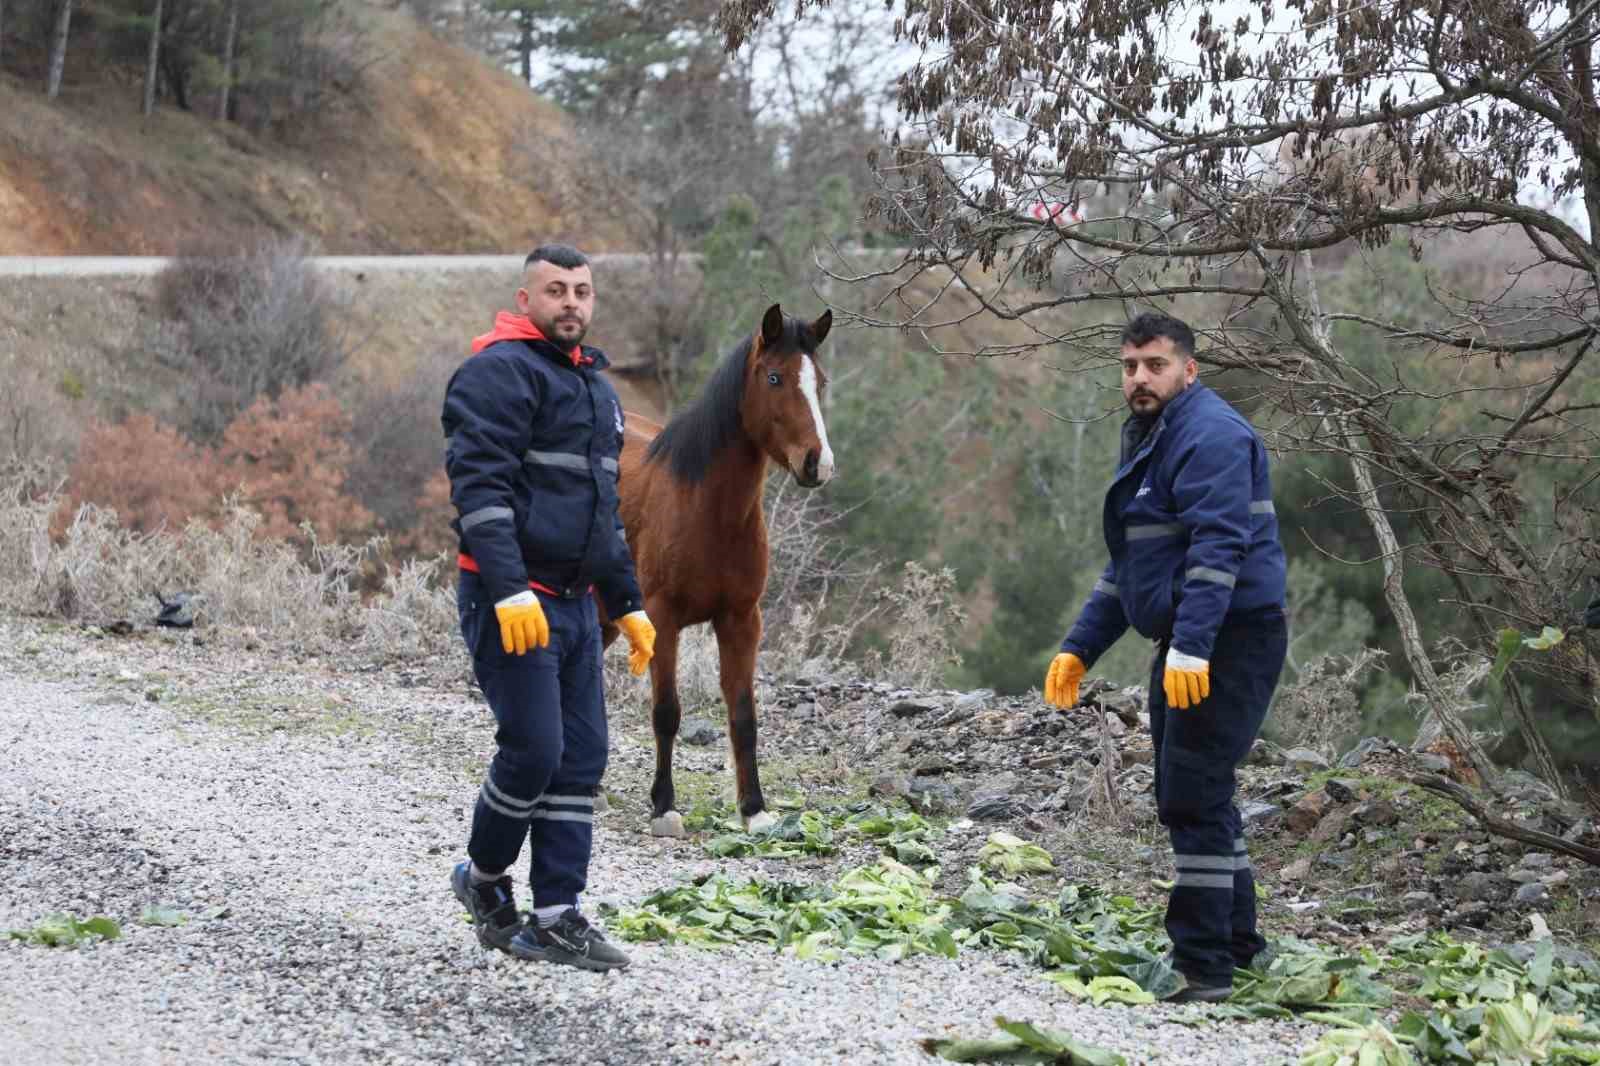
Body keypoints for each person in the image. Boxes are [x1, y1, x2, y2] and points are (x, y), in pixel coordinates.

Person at [1044, 311, 1288, 1003]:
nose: (1140, 379)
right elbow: (1135, 567)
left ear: (1189, 368)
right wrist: (1079, 648)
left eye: (1154, 365)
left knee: (1192, 794)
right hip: (1193, 637)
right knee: (1199, 792)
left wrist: (1192, 648)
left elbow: (1219, 553)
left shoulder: (1209, 436)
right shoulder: (1155, 434)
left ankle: (1204, 966)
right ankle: (1239, 949)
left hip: (1229, 637)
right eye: (1129, 367)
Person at [441, 243, 656, 971]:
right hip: (510, 598)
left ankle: (556, 916)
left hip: (574, 604)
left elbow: (604, 514)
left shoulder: (597, 387)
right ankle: (483, 880)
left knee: (583, 755)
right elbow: (480, 494)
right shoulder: (494, 373)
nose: (573, 303)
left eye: (584, 292)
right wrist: (505, 589)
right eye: (557, 290)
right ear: (526, 299)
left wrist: (627, 603)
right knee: (535, 747)